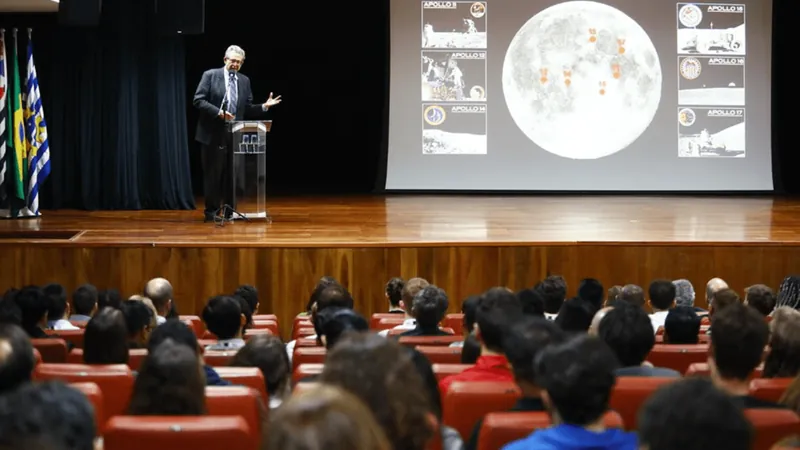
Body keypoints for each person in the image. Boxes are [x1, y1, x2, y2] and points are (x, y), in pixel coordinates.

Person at [193, 45, 282, 221]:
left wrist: (264, 106)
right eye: (232, 61)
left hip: (235, 133)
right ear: (225, 59)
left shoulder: (244, 80)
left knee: (232, 176)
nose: (235, 64)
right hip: (212, 134)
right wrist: (219, 113)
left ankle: (229, 212)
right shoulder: (210, 75)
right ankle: (211, 214)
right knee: (213, 175)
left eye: (239, 62)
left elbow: (246, 108)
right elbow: (199, 100)